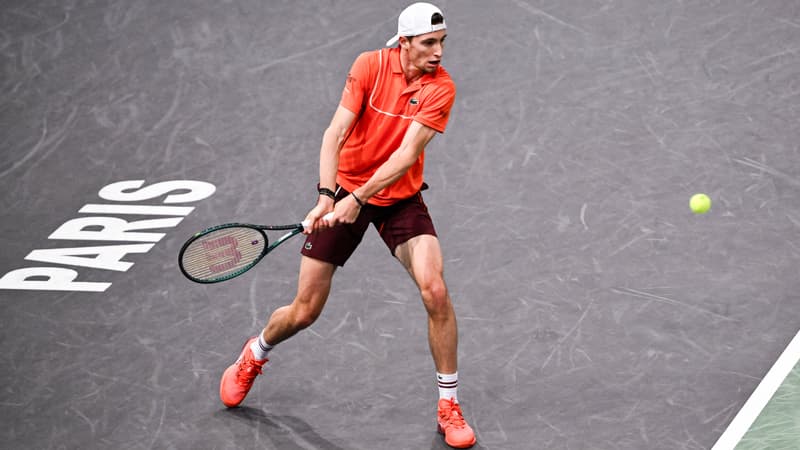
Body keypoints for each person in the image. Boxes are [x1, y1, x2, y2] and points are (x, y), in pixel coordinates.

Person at [219, 3, 475, 448]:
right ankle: (254, 353)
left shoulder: (441, 88)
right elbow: (334, 133)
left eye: (442, 43)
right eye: (429, 43)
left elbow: (405, 156)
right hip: (346, 188)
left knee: (434, 289)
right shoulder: (368, 65)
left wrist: (359, 200)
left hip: (397, 198)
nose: (438, 52)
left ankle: (448, 405)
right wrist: (327, 195)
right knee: (305, 310)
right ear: (405, 42)